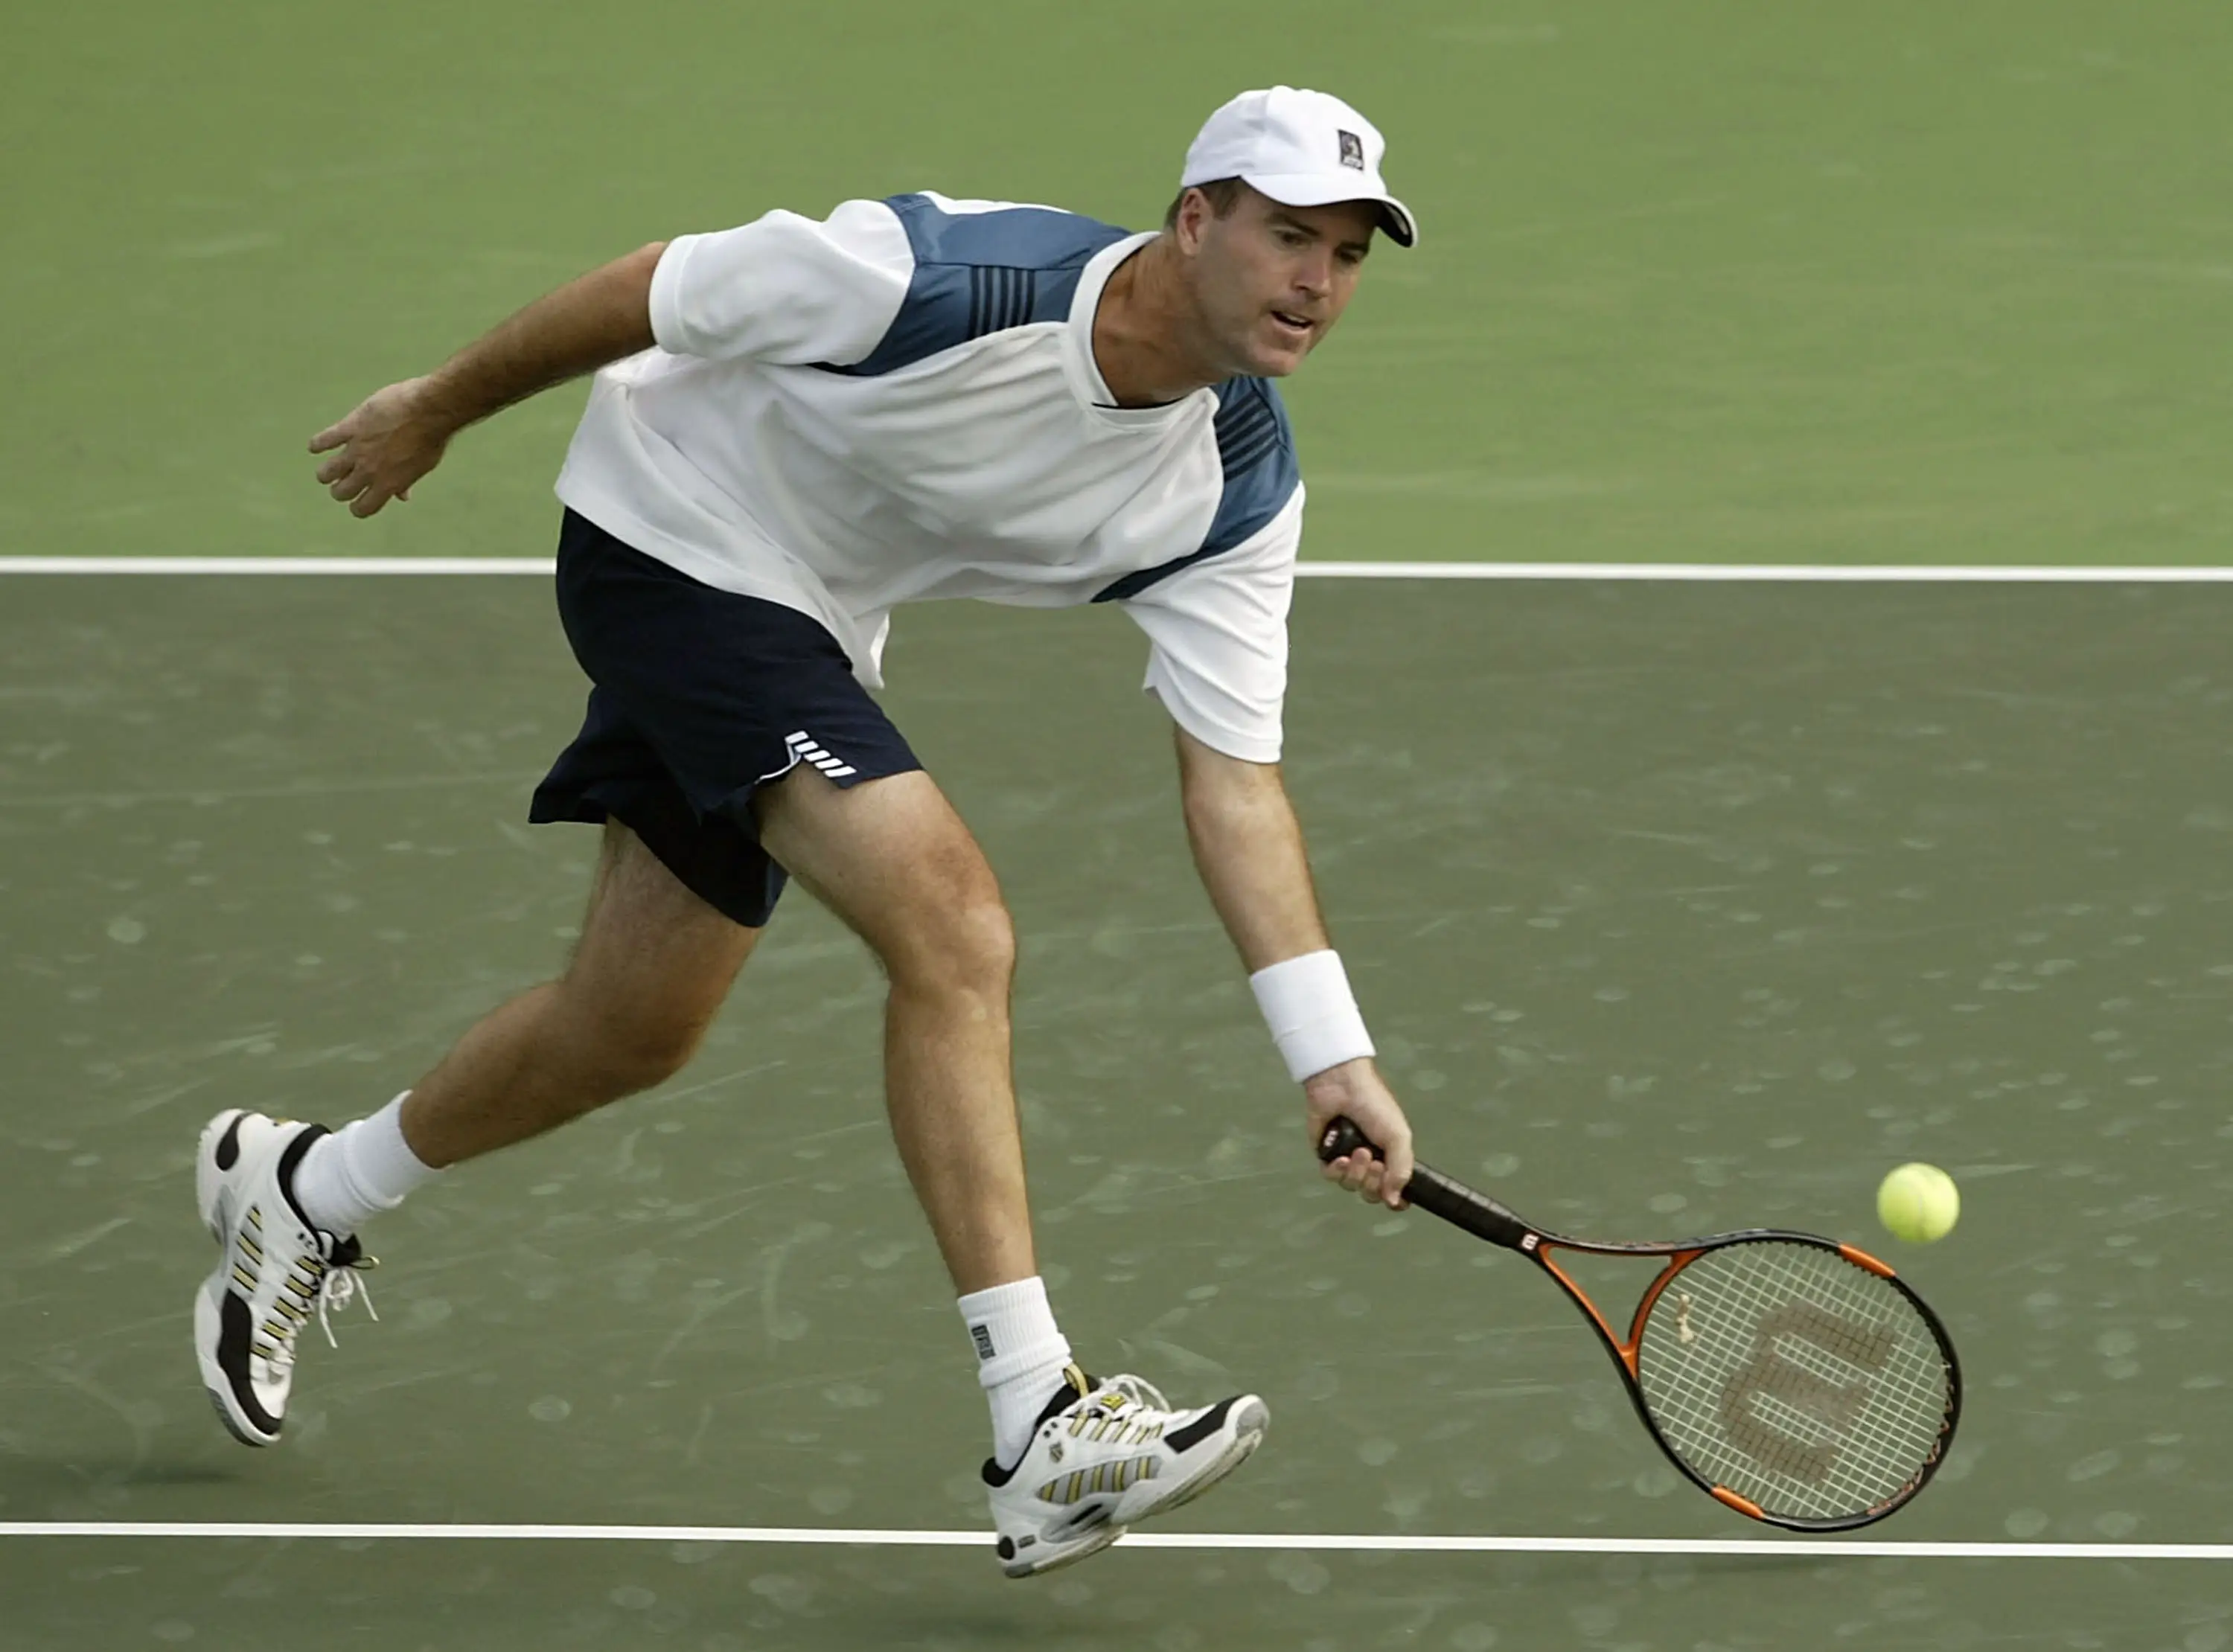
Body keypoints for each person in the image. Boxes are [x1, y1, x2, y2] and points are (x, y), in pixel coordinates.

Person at [193, 85, 1421, 1578]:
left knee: (631, 1027)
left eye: (1349, 255)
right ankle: (1040, 1423)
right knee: (954, 925)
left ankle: (302, 1190)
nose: (1316, 280)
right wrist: (434, 410)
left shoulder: (1235, 485)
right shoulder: (942, 282)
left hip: (813, 620)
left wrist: (1330, 1057)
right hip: (668, 528)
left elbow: (1235, 783)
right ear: (1194, 220)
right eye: (1289, 234)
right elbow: (656, 284)